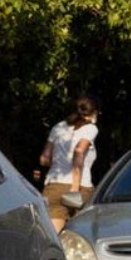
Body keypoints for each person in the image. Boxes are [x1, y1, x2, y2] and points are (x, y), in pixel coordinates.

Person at [39, 94, 101, 232]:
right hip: (80, 188)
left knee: (54, 238)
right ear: (93, 113)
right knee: (80, 237)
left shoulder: (59, 127)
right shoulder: (90, 128)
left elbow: (44, 159)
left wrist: (59, 163)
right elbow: (79, 150)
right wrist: (74, 186)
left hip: (54, 185)